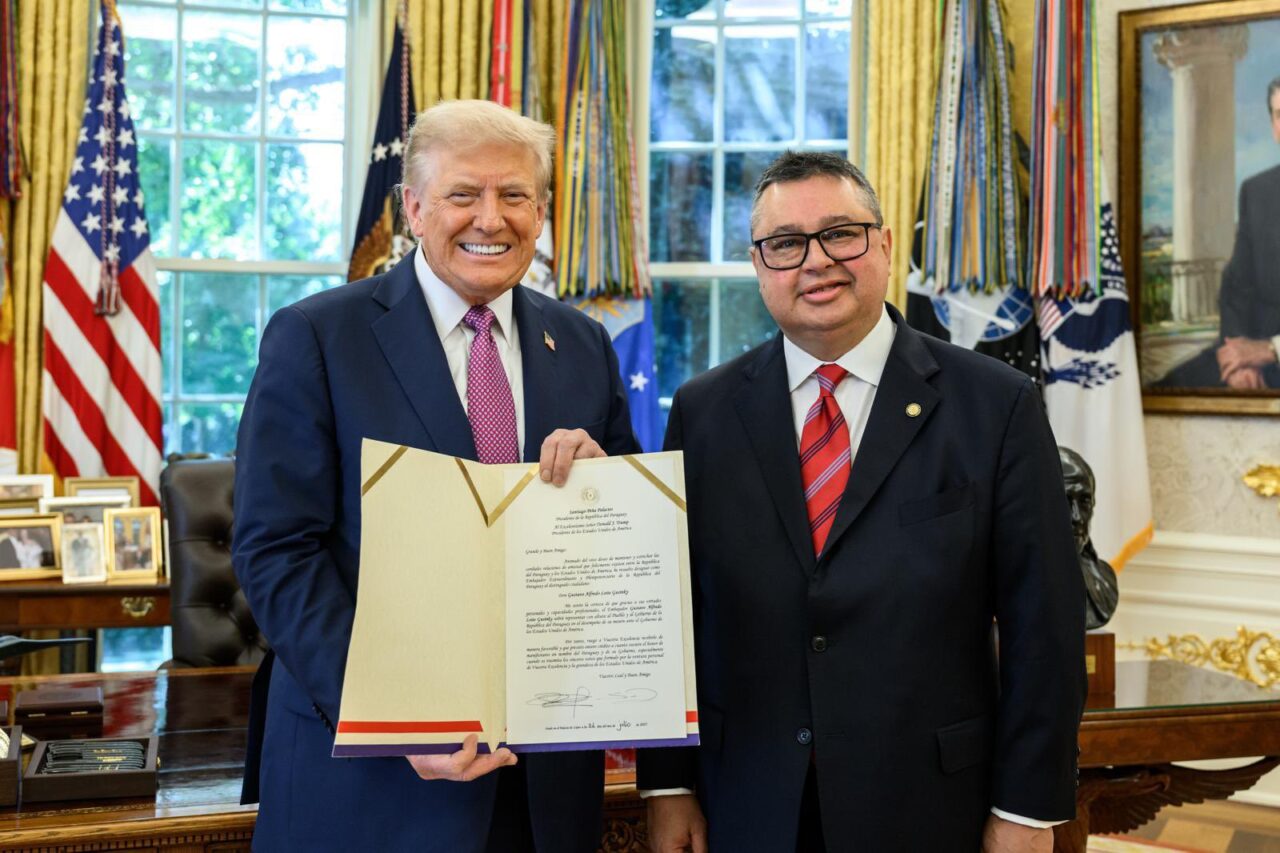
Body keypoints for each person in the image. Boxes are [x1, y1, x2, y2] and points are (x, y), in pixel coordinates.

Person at [637, 151, 1085, 852]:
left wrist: (1027, 809)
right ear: (759, 264)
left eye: (840, 234)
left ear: (883, 243)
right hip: (747, 803)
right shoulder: (703, 411)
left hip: (931, 805)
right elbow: (673, 615)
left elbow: (1044, 624)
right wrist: (668, 785)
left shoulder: (996, 405)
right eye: (786, 243)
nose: (816, 261)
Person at [232, 100, 639, 852]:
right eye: (463, 194)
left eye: (514, 195)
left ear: (541, 212)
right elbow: (276, 550)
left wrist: (605, 487)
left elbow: (625, 548)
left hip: (543, 786)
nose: (491, 218)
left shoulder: (582, 343)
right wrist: (390, 715)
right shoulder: (317, 336)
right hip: (370, 784)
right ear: (415, 208)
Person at [1158, 76, 1280, 389]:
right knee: (1169, 387)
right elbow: (1236, 287)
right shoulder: (1257, 192)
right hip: (1252, 353)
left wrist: (1270, 350)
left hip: (1272, 354)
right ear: (1273, 126)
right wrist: (1238, 356)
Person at [1059, 447, 1119, 630]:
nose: (1077, 517)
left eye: (1084, 501)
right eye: (1065, 500)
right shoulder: (1010, 581)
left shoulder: (1104, 579)